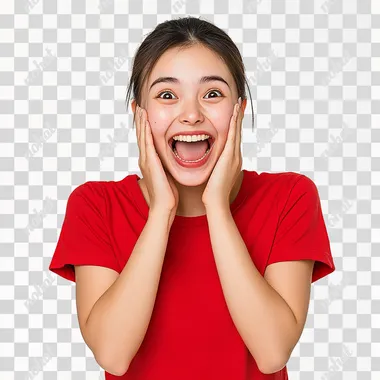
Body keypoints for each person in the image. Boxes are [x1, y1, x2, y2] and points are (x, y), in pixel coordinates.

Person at [49, 16, 336, 380]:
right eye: (167, 95)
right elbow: (113, 354)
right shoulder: (95, 205)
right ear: (141, 115)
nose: (190, 115)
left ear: (239, 111)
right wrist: (161, 212)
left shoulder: (290, 197)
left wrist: (216, 208)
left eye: (212, 93)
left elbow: (272, 351)